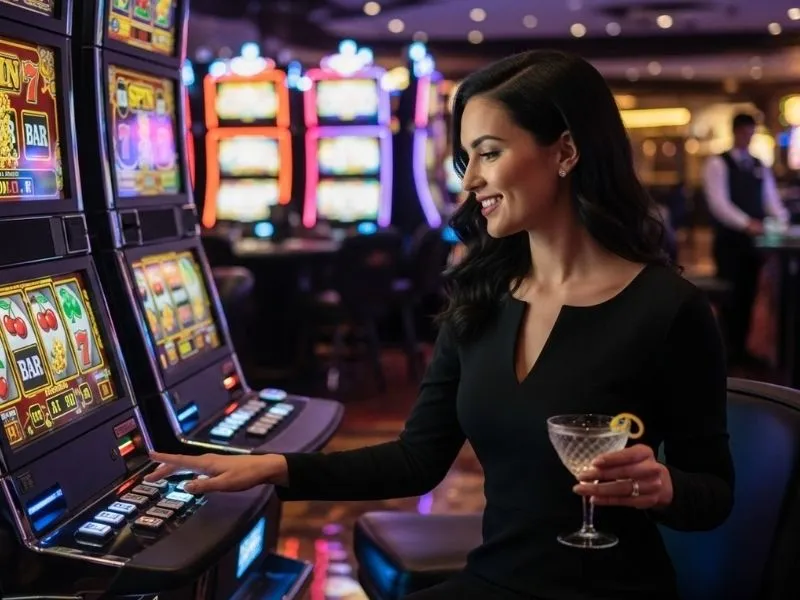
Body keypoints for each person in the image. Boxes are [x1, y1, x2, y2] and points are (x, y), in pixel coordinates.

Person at [147, 50, 734, 599]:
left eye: (489, 153)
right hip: (496, 579)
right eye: (466, 158)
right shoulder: (481, 298)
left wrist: (664, 486)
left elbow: (714, 494)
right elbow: (417, 460)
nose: (469, 180)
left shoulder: (668, 307)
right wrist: (272, 468)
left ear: (565, 151)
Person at [703, 113, 789, 366]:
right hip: (729, 241)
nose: (748, 138)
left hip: (755, 243)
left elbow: (770, 199)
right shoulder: (718, 163)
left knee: (750, 294)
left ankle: (742, 350)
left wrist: (782, 220)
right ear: (735, 132)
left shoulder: (759, 164)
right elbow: (719, 204)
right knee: (731, 296)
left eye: (751, 134)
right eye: (744, 133)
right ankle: (726, 353)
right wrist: (746, 223)